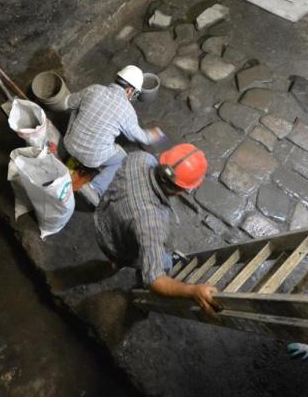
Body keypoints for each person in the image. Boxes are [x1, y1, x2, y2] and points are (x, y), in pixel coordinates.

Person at [94, 143, 221, 318]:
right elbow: (155, 280)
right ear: (180, 191)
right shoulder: (152, 222)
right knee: (165, 263)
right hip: (119, 245)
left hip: (102, 220)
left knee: (122, 252)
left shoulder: (140, 158)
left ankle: (114, 263)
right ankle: (136, 287)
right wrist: (192, 291)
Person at [63, 65, 163, 205]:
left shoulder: (94, 89)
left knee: (76, 109)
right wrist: (155, 134)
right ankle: (95, 188)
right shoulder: (127, 111)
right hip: (92, 158)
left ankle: (73, 160)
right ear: (129, 90)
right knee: (122, 159)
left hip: (69, 143)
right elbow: (141, 137)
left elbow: (68, 102)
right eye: (133, 93)